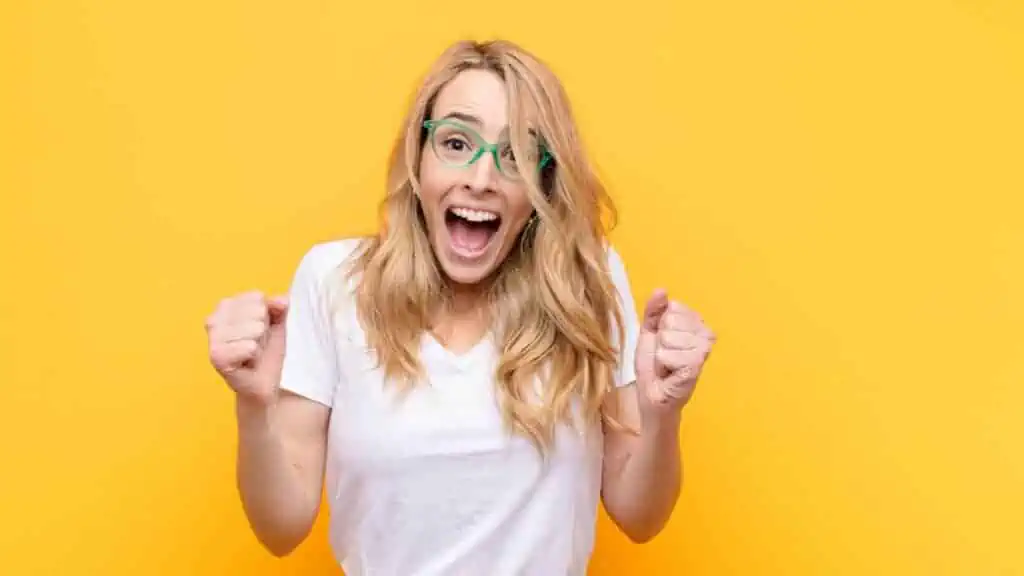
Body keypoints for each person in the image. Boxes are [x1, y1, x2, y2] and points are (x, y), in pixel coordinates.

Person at [204, 38, 716, 575]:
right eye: (455, 143)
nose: (480, 178)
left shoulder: (585, 281)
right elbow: (281, 529)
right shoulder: (334, 281)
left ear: (544, 181)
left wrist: (663, 418)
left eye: (515, 155)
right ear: (418, 156)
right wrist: (253, 410)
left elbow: (640, 517)